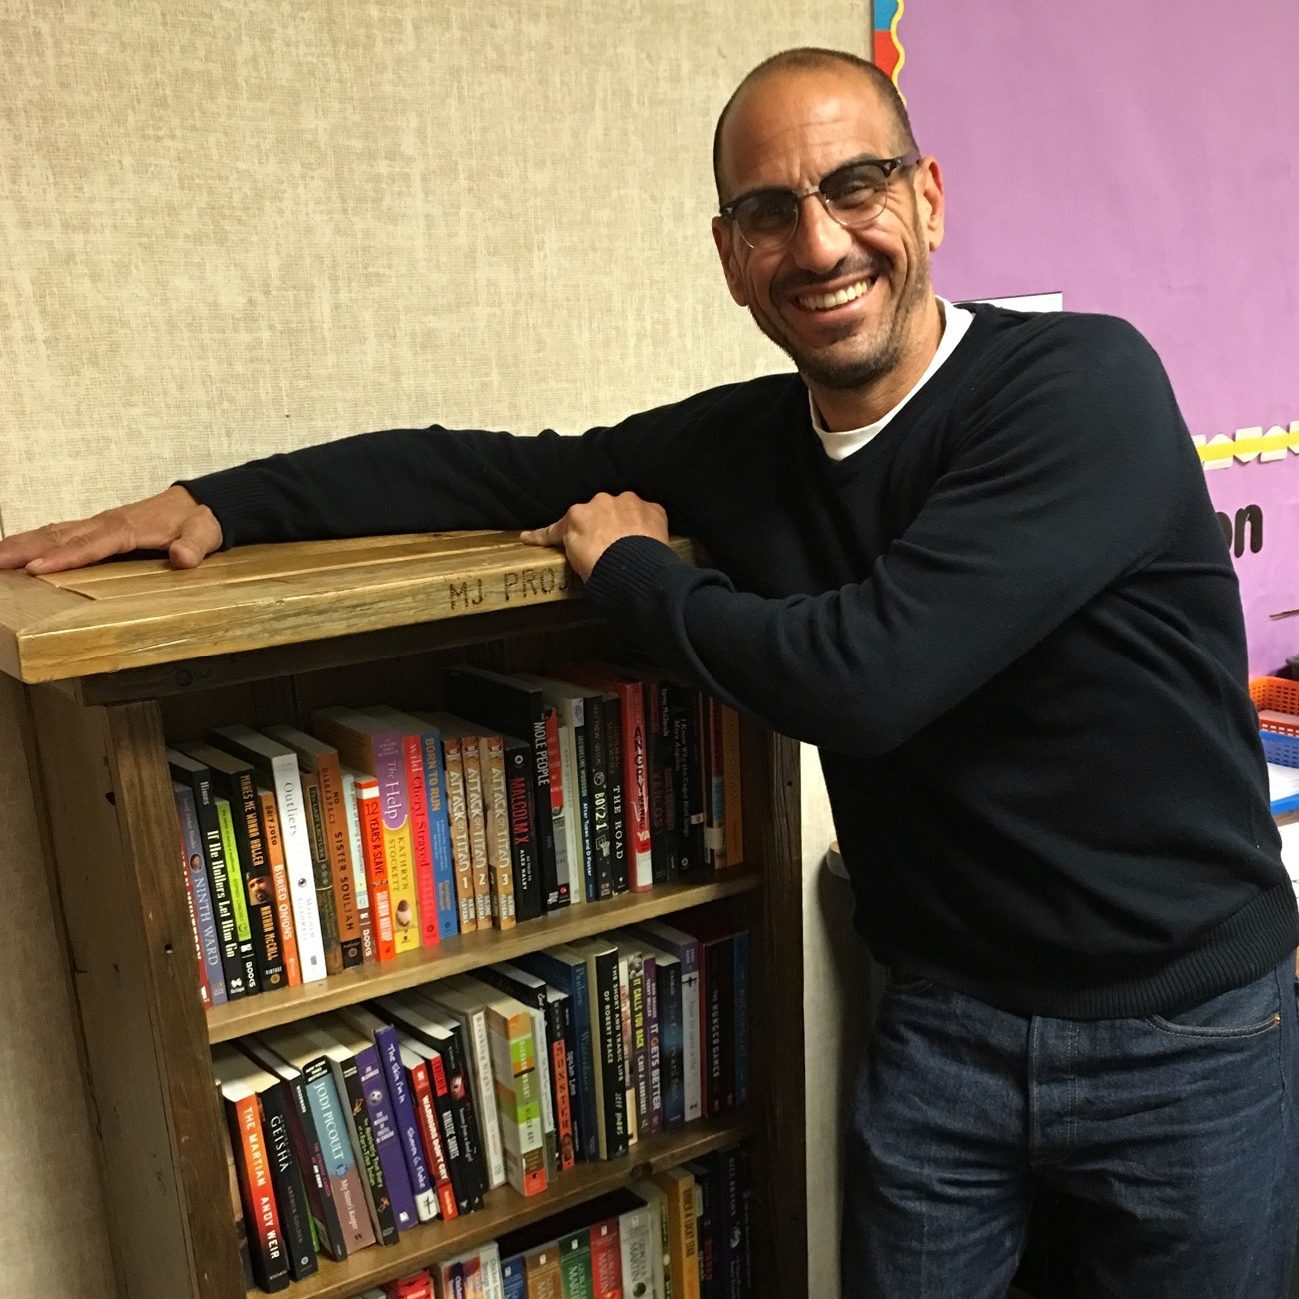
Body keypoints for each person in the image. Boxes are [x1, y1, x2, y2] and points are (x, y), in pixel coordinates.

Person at [4, 46, 1296, 1299]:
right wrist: (217, 501)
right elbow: (489, 469)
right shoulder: (746, 441)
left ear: (928, 198)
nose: (821, 242)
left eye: (856, 186)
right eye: (767, 211)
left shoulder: (1079, 386)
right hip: (943, 1025)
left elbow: (863, 676)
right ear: (733, 255)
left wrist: (636, 572)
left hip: (1183, 1033)